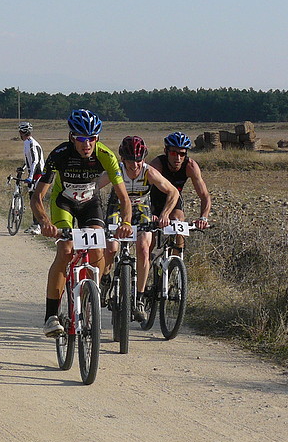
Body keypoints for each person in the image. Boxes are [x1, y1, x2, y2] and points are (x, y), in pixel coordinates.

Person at [31, 109, 133, 337]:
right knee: (65, 250)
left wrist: (126, 222)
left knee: (98, 247)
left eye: (92, 138)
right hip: (64, 203)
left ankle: (90, 295)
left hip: (90, 204)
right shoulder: (59, 154)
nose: (87, 144)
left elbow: (124, 198)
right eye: (81, 138)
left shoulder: (106, 155)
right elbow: (37, 197)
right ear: (72, 137)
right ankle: (51, 316)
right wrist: (45, 222)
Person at [97, 136, 179, 320]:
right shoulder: (116, 170)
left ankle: (140, 298)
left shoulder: (148, 172)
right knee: (111, 247)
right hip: (117, 206)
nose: (135, 166)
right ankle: (105, 279)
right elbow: (93, 187)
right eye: (130, 161)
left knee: (143, 248)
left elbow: (172, 191)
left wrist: (165, 214)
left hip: (142, 207)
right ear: (122, 159)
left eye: (139, 160)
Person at [149, 131, 211, 253]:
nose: (178, 158)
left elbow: (205, 196)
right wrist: (147, 212)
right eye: (173, 153)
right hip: (153, 200)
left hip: (174, 200)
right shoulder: (157, 165)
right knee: (150, 241)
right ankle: (147, 264)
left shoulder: (190, 166)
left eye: (182, 154)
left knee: (178, 219)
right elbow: (143, 191)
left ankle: (177, 263)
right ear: (166, 151)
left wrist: (203, 218)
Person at [18, 121, 45, 235]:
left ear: (22, 132)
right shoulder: (26, 143)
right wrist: (23, 167)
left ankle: (39, 225)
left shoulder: (32, 143)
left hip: (37, 173)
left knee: (36, 199)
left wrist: (30, 176)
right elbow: (28, 160)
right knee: (32, 200)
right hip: (32, 173)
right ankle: (35, 224)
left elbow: (35, 160)